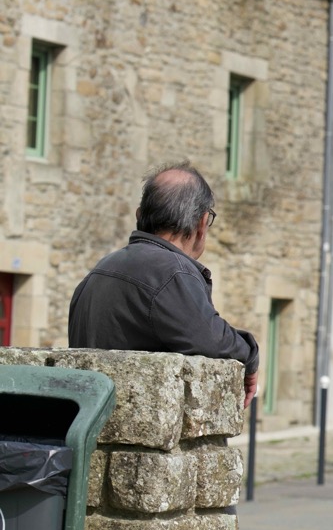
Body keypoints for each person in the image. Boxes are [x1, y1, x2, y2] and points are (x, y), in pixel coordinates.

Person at [68, 162, 258, 408]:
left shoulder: (98, 271)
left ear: (140, 215)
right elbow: (210, 338)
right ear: (202, 223)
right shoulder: (173, 272)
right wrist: (249, 355)